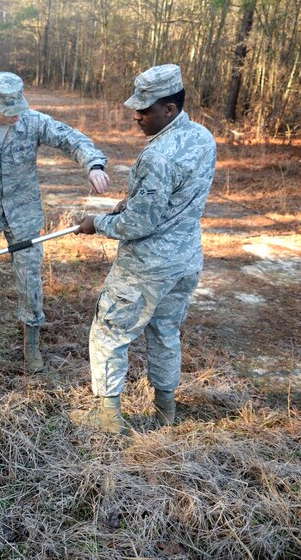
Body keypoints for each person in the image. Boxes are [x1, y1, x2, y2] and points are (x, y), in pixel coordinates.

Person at [70, 64, 216, 434]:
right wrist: (129, 202)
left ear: (169, 109)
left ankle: (107, 418)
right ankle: (166, 411)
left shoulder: (157, 155)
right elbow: (173, 199)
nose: (137, 115)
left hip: (147, 266)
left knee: (109, 332)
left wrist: (96, 222)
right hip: (185, 260)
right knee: (166, 331)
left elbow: (139, 225)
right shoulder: (202, 138)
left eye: (145, 109)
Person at [0, 71, 111, 373]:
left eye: (20, 108)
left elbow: (70, 138)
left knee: (29, 278)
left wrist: (93, 165)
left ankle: (31, 345)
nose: (17, 116)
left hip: (24, 209)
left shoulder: (32, 121)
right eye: (9, 111)